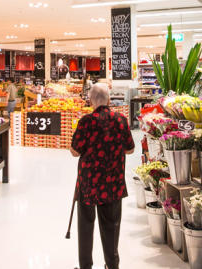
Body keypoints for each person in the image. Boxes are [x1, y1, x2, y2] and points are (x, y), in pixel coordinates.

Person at [70, 83, 134, 269]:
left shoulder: (86, 121)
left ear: (91, 101)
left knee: (85, 226)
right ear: (108, 99)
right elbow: (130, 150)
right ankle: (112, 265)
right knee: (112, 226)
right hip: (113, 183)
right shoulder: (121, 120)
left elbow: (74, 151)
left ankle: (85, 266)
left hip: (88, 183)